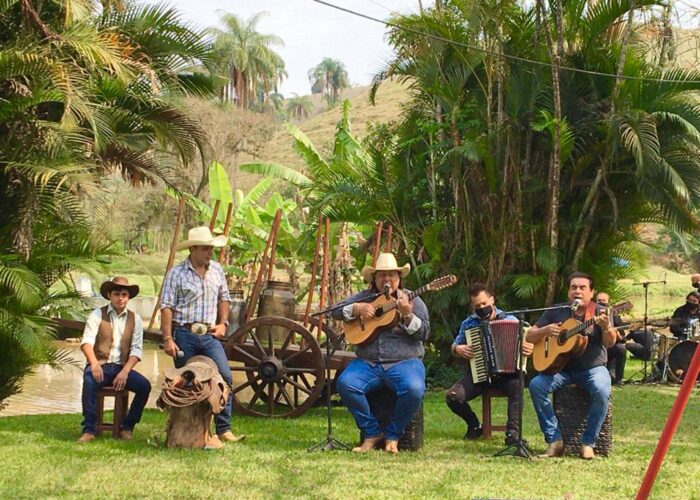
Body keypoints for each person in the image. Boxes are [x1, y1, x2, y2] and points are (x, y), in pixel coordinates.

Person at [333, 252, 430, 454]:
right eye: (381, 275)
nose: (387, 279)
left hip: (405, 361)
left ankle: (393, 435)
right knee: (346, 384)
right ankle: (371, 433)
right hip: (368, 362)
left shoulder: (413, 300)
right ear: (374, 279)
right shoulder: (364, 297)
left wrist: (407, 314)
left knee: (413, 388)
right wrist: (357, 308)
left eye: (392, 275)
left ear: (398, 278)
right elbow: (334, 310)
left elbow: (424, 333)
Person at [160, 226, 244, 448]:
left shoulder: (217, 270)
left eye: (211, 248)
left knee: (224, 376)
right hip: (184, 333)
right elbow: (166, 307)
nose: (210, 253)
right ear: (194, 249)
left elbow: (224, 298)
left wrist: (223, 323)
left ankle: (223, 429)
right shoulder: (176, 273)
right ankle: (186, 430)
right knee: (186, 382)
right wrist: (168, 338)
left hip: (209, 334)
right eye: (206, 248)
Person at [526, 272, 617, 459]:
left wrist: (606, 327)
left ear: (591, 292)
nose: (578, 291)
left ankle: (588, 443)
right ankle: (554, 440)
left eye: (583, 288)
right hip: (561, 369)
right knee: (536, 385)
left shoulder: (600, 312)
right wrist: (546, 329)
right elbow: (530, 335)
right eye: (574, 287)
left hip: (593, 368)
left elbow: (610, 342)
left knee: (602, 390)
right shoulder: (555, 310)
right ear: (568, 292)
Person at [446, 283, 533, 445]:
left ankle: (512, 434)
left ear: (492, 300)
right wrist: (458, 349)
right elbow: (454, 345)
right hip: (480, 374)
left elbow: (529, 337)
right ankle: (475, 425)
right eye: (477, 305)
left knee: (517, 384)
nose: (481, 308)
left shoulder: (511, 320)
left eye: (484, 304)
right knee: (453, 397)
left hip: (508, 375)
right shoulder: (468, 324)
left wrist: (529, 346)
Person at [78, 277, 151, 442]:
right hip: (101, 365)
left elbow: (137, 349)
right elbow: (87, 343)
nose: (121, 298)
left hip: (121, 368)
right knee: (89, 381)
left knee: (144, 386)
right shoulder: (97, 314)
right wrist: (94, 363)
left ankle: (128, 427)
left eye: (124, 294)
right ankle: (89, 429)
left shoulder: (135, 319)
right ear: (109, 295)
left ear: (128, 297)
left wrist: (126, 371)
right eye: (117, 294)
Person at [597, 292, 627, 385]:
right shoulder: (589, 313)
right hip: (594, 345)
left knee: (621, 348)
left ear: (609, 303)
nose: (601, 303)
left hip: (609, 345)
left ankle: (618, 379)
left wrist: (617, 335)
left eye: (604, 301)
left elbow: (623, 337)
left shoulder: (614, 316)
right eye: (599, 300)